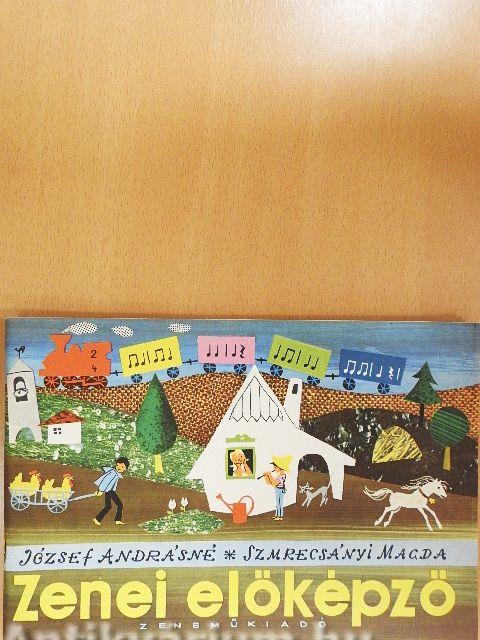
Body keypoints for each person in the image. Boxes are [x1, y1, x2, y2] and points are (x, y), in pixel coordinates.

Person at [93, 456, 130, 526]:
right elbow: (104, 482)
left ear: (125, 468)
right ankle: (97, 519)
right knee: (110, 506)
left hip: (111, 491)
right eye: (118, 465)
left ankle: (117, 520)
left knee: (118, 505)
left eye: (122, 467)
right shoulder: (112, 473)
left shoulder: (116, 474)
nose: (119, 468)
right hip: (109, 491)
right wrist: (100, 491)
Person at [263, 455, 292, 521]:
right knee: (277, 503)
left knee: (280, 503)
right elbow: (270, 483)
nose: (274, 469)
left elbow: (275, 483)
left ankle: (280, 516)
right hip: (277, 489)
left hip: (280, 490)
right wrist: (266, 477)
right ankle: (277, 515)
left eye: (275, 467)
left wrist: (269, 475)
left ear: (280, 467)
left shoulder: (282, 476)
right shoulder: (279, 476)